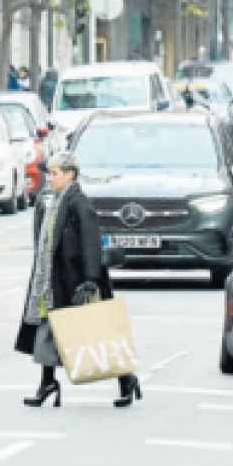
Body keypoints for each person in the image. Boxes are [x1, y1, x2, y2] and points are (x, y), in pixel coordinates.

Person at [15, 152, 141, 408]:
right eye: (49, 173)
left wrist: (91, 279)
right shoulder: (49, 201)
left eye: (56, 173)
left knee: (97, 335)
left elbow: (90, 243)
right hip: (50, 278)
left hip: (73, 279)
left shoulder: (79, 203)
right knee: (48, 328)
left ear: (70, 174)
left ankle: (127, 379)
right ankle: (47, 382)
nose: (50, 179)